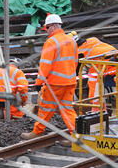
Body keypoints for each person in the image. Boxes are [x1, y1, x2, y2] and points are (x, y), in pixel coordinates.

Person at [21, 14, 78, 145]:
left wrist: (38, 82)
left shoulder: (51, 42)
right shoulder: (71, 41)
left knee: (46, 108)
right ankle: (76, 135)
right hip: (70, 82)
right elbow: (75, 62)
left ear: (52, 27)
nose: (46, 31)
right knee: (67, 109)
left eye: (46, 28)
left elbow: (45, 65)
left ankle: (37, 131)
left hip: (55, 83)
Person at [72, 34, 118, 112]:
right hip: (114, 55)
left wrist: (75, 77)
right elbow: (106, 43)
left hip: (103, 61)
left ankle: (96, 103)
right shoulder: (92, 39)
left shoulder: (79, 50)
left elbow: (78, 67)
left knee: (93, 78)